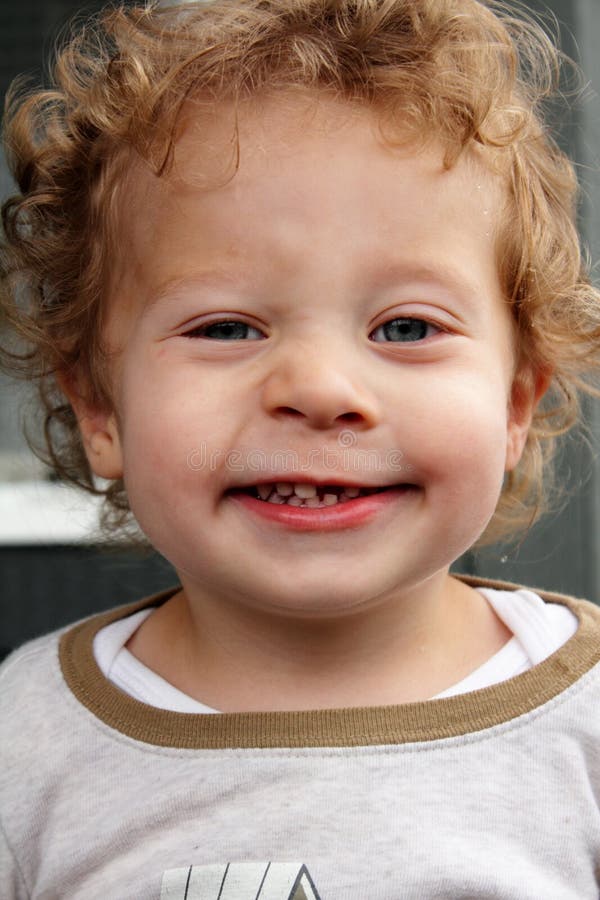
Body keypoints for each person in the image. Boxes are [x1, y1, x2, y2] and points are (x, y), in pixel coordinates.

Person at [2, 0, 600, 896]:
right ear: (100, 409)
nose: (321, 388)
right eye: (228, 327)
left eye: (405, 326)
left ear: (516, 402)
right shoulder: (25, 742)